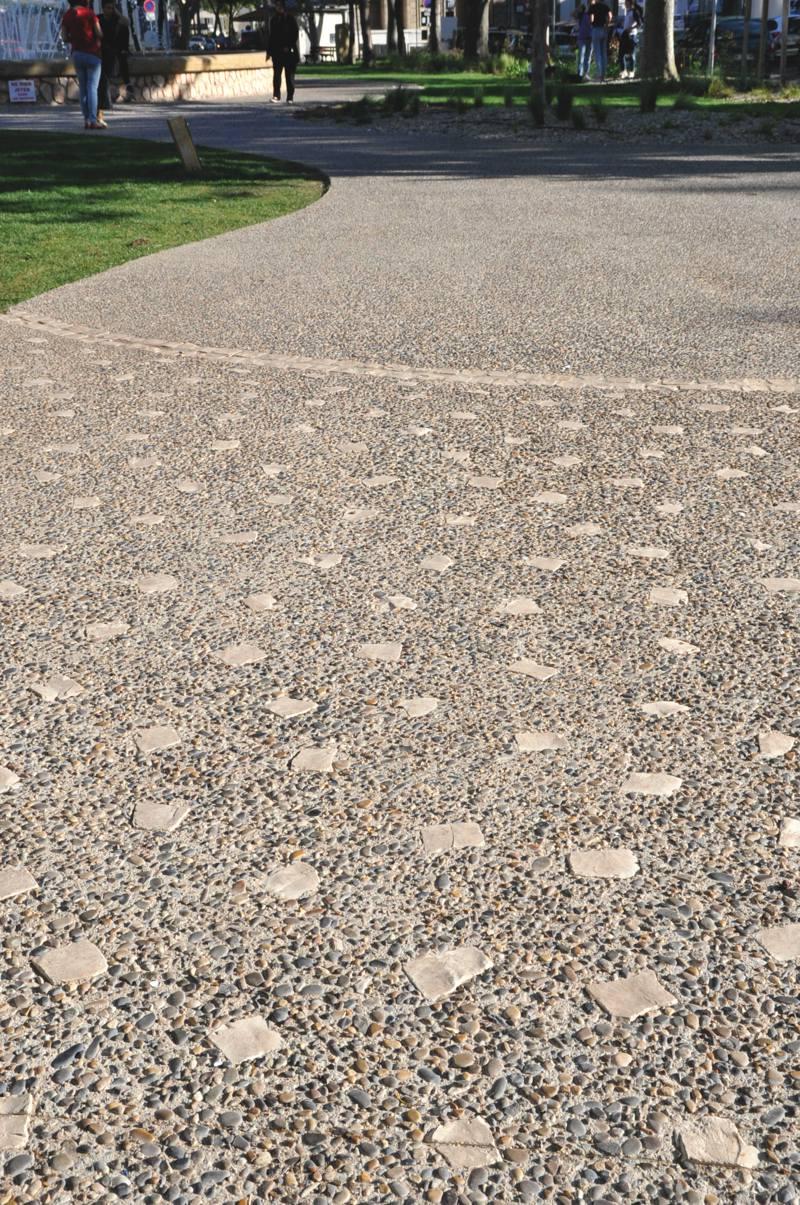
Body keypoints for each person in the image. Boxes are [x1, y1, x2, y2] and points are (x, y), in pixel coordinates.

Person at [61, 0, 104, 129]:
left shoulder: (67, 15)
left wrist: (74, 38)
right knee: (92, 88)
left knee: (83, 88)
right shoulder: (89, 13)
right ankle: (93, 119)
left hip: (77, 54)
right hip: (92, 54)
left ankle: (86, 120)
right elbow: (99, 33)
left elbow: (64, 37)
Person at [98, 2, 132, 121]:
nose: (110, 10)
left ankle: (127, 86)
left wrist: (116, 12)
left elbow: (127, 22)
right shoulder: (99, 18)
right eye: (108, 7)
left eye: (112, 8)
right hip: (102, 51)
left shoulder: (116, 19)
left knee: (120, 59)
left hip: (115, 50)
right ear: (103, 8)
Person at [267, 0, 299, 103]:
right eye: (276, 5)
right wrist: (269, 51)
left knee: (289, 76)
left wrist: (288, 45)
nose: (278, 7)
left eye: (279, 5)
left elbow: (295, 34)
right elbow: (271, 37)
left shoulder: (290, 19)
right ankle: (276, 95)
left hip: (289, 52)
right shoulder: (274, 20)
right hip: (277, 52)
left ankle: (290, 97)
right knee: (277, 75)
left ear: (283, 7)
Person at [618, 0, 643, 78]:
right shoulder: (628, 12)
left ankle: (632, 71)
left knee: (631, 54)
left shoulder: (634, 12)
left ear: (630, 2)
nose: (625, 3)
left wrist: (631, 28)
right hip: (625, 35)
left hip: (631, 35)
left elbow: (640, 23)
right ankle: (623, 71)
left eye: (626, 2)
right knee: (621, 54)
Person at [588, 0, 612, 82]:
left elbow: (591, 19)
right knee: (603, 53)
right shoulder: (605, 6)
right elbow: (610, 15)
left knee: (597, 53)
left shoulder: (593, 7)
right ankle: (604, 74)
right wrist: (607, 24)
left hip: (596, 29)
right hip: (604, 29)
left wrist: (591, 24)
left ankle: (599, 74)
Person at [575, 3, 593, 80]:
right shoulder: (581, 15)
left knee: (587, 57)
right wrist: (578, 8)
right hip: (582, 38)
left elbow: (593, 21)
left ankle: (586, 74)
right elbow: (572, 14)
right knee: (581, 57)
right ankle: (579, 74)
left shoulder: (592, 15)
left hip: (590, 38)